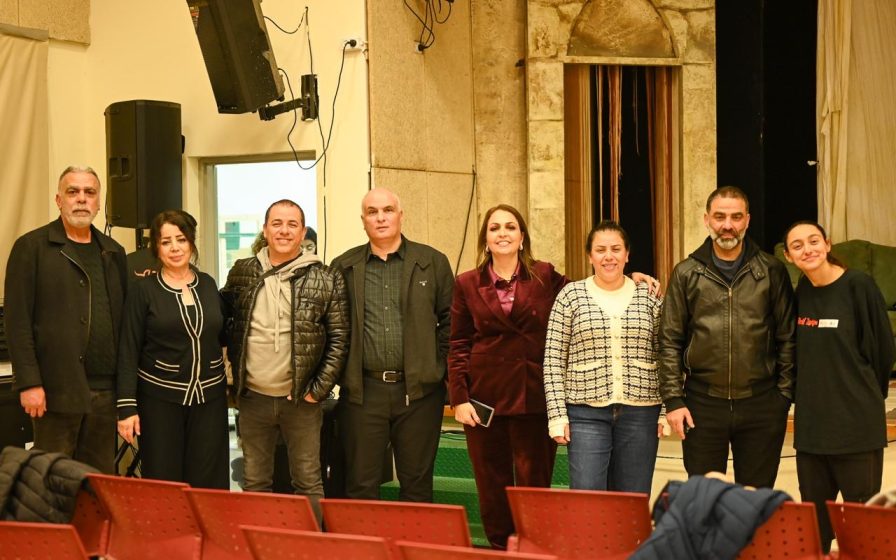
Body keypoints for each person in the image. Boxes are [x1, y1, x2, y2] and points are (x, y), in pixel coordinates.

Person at [658, 186, 795, 488]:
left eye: (736, 217)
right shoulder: (686, 273)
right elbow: (669, 340)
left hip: (761, 404)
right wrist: (673, 399)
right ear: (707, 219)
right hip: (702, 405)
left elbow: (788, 337)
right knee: (704, 496)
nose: (728, 225)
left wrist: (783, 396)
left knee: (756, 499)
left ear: (747, 220)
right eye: (720, 217)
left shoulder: (772, 271)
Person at [221, 199, 349, 518]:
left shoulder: (326, 277)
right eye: (277, 223)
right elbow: (222, 322)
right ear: (265, 230)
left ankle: (310, 544)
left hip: (301, 401)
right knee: (255, 482)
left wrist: (317, 390)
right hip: (253, 399)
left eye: (292, 224)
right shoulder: (243, 272)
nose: (284, 230)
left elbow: (339, 340)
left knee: (308, 482)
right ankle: (260, 542)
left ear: (302, 232)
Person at [448, 204, 566, 548]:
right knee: (492, 486)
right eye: (495, 227)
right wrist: (459, 398)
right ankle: (500, 548)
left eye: (510, 227)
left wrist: (630, 279)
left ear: (522, 237)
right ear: (486, 239)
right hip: (484, 401)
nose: (502, 233)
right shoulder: (466, 283)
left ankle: (533, 549)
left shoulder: (544, 275)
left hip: (534, 396)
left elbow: (587, 292)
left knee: (534, 485)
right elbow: (458, 343)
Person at [331, 187, 454, 502]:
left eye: (387, 210)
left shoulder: (432, 262)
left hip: (419, 395)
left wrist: (436, 368)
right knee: (360, 485)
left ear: (401, 215)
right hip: (363, 394)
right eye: (372, 212)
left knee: (417, 486)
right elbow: (331, 328)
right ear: (363, 220)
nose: (381, 218)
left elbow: (452, 324)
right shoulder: (343, 267)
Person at [4, 165, 127, 473]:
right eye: (73, 192)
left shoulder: (113, 252)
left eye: (90, 192)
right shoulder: (31, 248)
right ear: (59, 200)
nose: (81, 199)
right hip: (54, 390)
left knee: (97, 483)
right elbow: (17, 323)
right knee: (51, 480)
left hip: (105, 393)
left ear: (98, 202)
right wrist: (29, 383)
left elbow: (123, 323)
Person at [782, 221, 895, 553]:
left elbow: (883, 352)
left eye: (814, 241)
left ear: (828, 244)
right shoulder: (802, 291)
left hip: (856, 428)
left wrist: (863, 397)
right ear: (788, 256)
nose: (808, 249)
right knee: (815, 531)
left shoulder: (858, 285)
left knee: (862, 528)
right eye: (798, 245)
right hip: (812, 431)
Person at [544, 221, 664, 495]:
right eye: (600, 250)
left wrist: (667, 409)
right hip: (585, 414)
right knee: (588, 497)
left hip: (641, 413)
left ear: (627, 255)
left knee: (632, 497)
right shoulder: (570, 296)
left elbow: (667, 353)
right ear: (590, 256)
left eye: (616, 249)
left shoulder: (649, 296)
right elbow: (553, 359)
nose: (608, 256)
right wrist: (557, 415)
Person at [116, 210, 229, 488]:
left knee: (208, 481)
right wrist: (126, 407)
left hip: (210, 400)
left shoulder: (208, 284)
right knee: (165, 481)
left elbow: (222, 336)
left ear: (191, 242)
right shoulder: (143, 290)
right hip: (160, 401)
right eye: (166, 242)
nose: (175, 248)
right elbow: (128, 349)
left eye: (181, 239)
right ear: (156, 247)